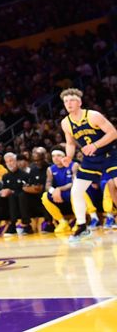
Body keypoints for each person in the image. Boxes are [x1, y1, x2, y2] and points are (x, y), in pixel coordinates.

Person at [60, 88, 117, 241]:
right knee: (76, 191)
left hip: (108, 154)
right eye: (65, 101)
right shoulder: (66, 123)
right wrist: (68, 156)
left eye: (71, 100)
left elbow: (113, 133)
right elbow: (70, 143)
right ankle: (82, 226)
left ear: (79, 102)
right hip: (90, 159)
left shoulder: (93, 115)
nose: (68, 104)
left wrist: (96, 145)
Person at [42, 148, 97, 233]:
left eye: (58, 155)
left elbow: (75, 183)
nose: (55, 158)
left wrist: (59, 189)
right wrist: (54, 191)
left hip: (72, 191)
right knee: (45, 196)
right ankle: (62, 222)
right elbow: (47, 185)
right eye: (53, 156)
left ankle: (82, 221)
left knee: (78, 192)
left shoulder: (74, 165)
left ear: (65, 156)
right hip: (60, 194)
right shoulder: (50, 169)